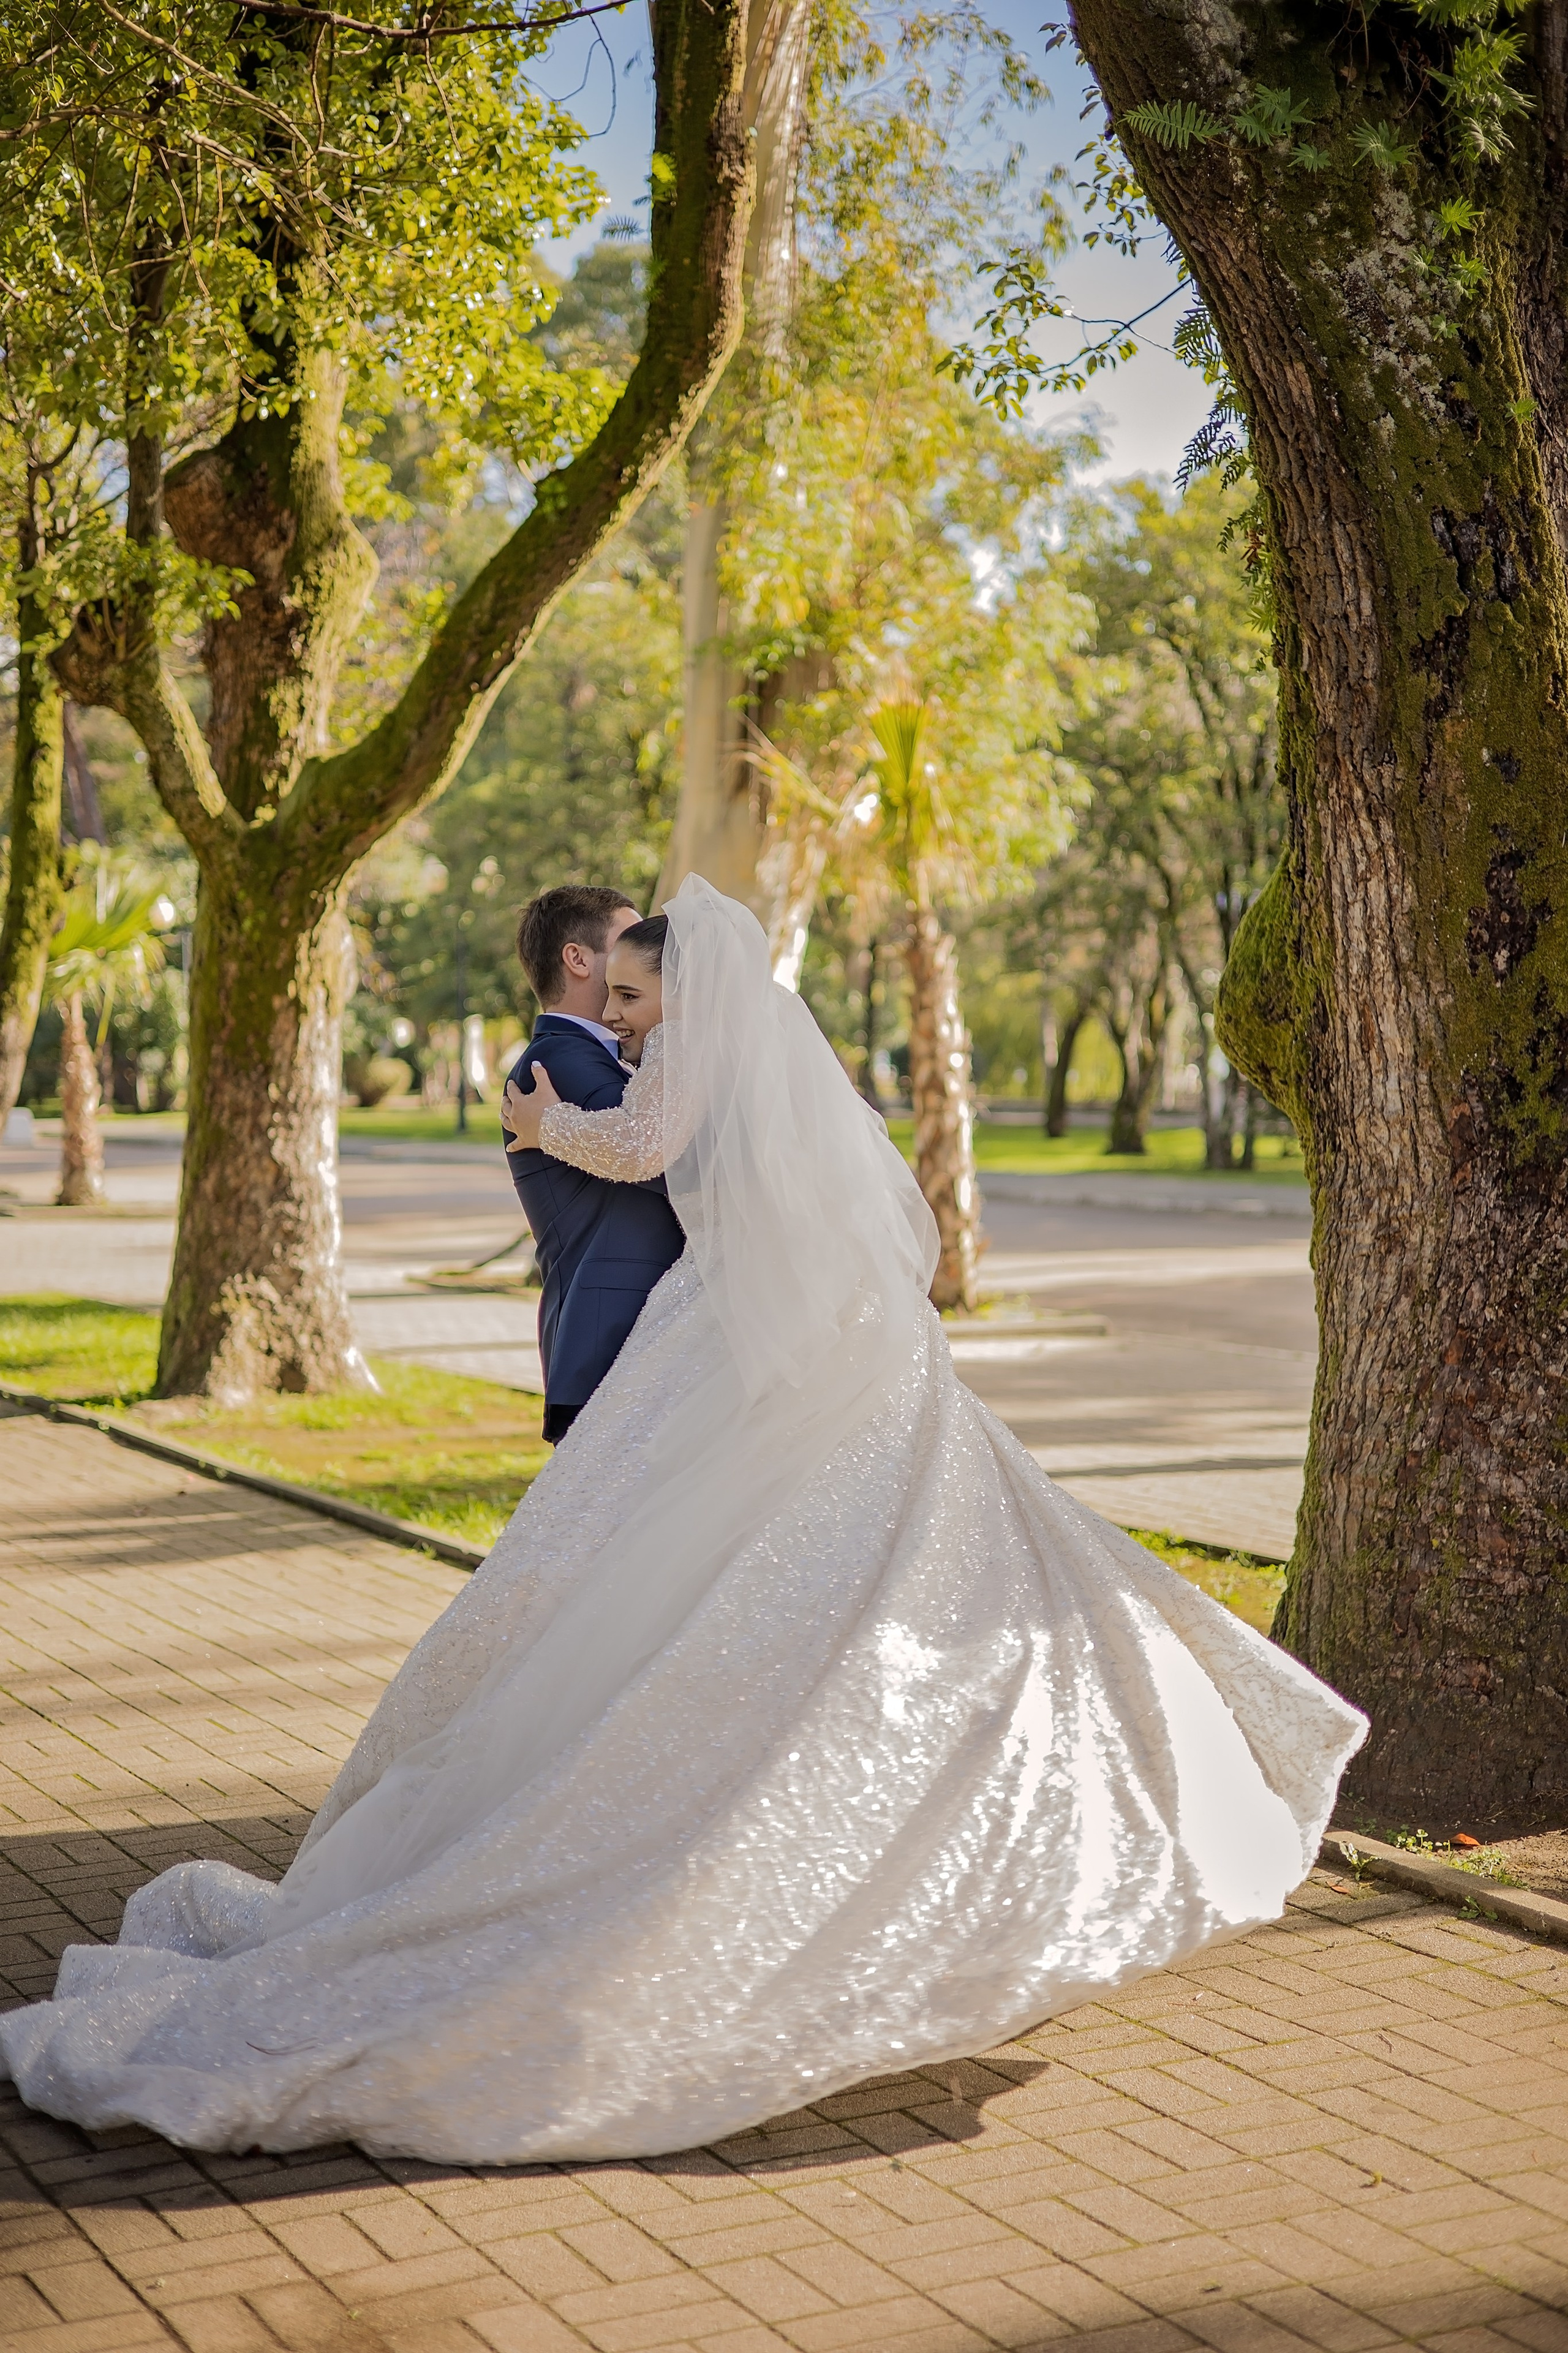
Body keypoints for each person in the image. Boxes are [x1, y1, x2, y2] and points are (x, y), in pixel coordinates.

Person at [0, 877, 1365, 2167]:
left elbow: (646, 1147)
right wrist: (553, 1120)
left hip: (742, 1338)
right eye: (624, 1001)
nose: (628, 1020)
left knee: (774, 1563)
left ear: (674, 985)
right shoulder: (714, 1046)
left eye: (640, 1002)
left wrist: (543, 1127)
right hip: (768, 1331)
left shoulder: (682, 1054)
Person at [505, 886, 685, 1441]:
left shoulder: (629, 1057)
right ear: (578, 959)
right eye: (625, 941)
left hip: (648, 1330)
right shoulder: (559, 1060)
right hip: (613, 1329)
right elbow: (660, 1155)